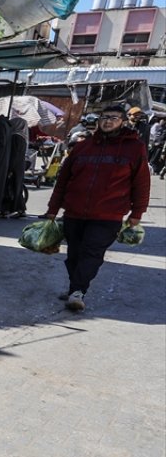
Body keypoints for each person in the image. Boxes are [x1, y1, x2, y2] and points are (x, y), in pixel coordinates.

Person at [43, 104, 149, 312]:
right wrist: (53, 209)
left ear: (123, 122)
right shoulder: (83, 146)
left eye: (114, 118)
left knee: (91, 253)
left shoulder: (134, 148)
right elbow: (63, 180)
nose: (108, 121)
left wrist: (137, 212)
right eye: (104, 117)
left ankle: (78, 291)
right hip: (74, 211)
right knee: (73, 254)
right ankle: (76, 287)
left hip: (108, 215)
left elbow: (142, 183)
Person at [3, 116, 29, 218]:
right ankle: (20, 209)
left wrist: (10, 169)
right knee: (16, 188)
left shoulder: (15, 137)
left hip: (14, 167)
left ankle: (11, 209)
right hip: (19, 167)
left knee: (11, 188)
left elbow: (14, 155)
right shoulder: (22, 137)